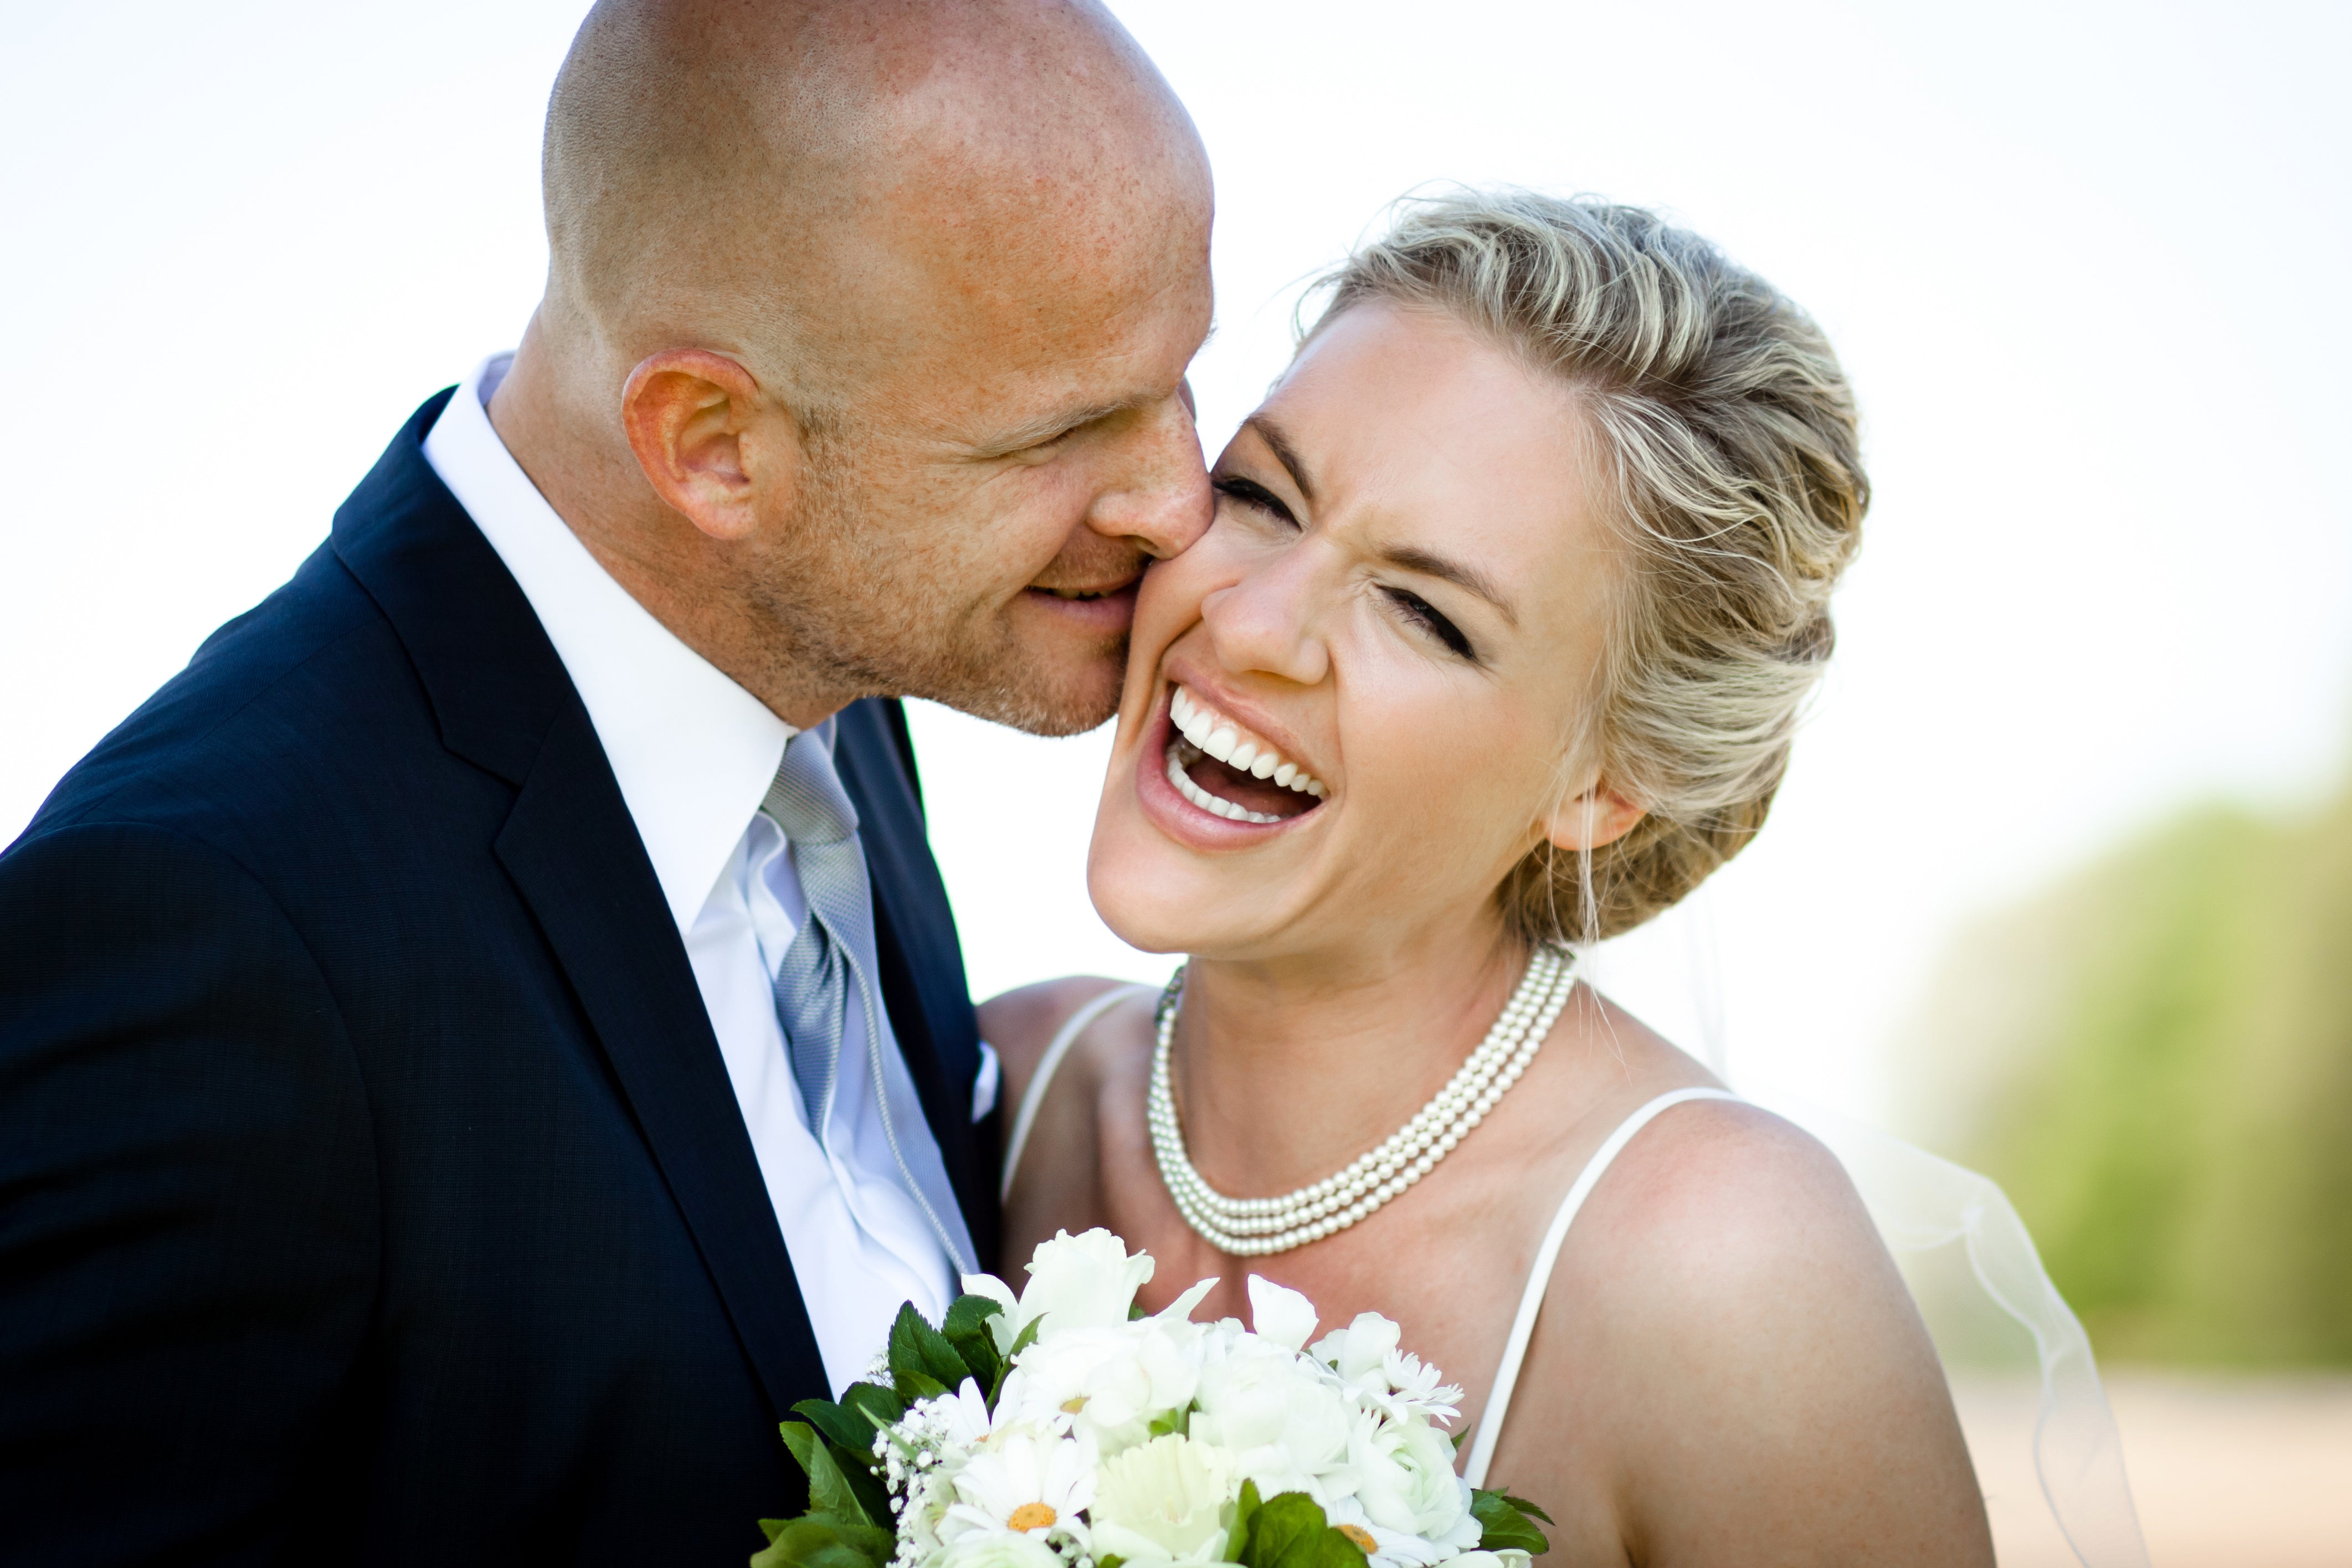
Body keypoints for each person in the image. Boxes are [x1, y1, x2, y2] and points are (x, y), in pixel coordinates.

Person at [0, 1, 1210, 1561]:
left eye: (1181, 372)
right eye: (1063, 432)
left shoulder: (827, 665)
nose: (1179, 500)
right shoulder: (212, 936)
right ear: (712, 445)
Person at [987, 192, 2002, 1565]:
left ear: (1597, 786)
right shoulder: (1002, 1085)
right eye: (1259, 496)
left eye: (1422, 612)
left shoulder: (1720, 1270)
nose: (1254, 622)